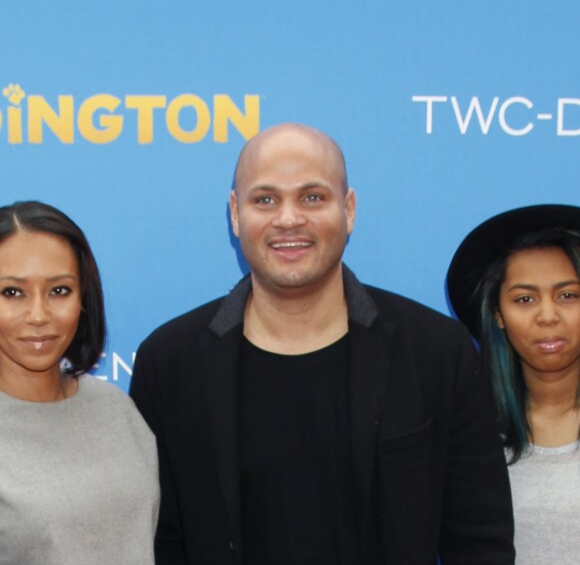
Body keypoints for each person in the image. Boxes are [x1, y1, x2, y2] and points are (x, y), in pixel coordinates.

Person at [130, 122, 515, 564]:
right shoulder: (170, 362)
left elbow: (480, 541)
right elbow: (159, 543)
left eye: (312, 197)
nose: (289, 218)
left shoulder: (436, 351)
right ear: (235, 214)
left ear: (349, 210)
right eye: (265, 199)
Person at [0, 201, 159, 565]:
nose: (38, 315)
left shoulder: (115, 408)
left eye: (59, 291)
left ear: (83, 299)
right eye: (12, 292)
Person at [446, 204, 580, 564]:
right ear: (498, 315)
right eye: (525, 299)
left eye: (568, 295)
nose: (548, 316)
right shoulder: (464, 434)